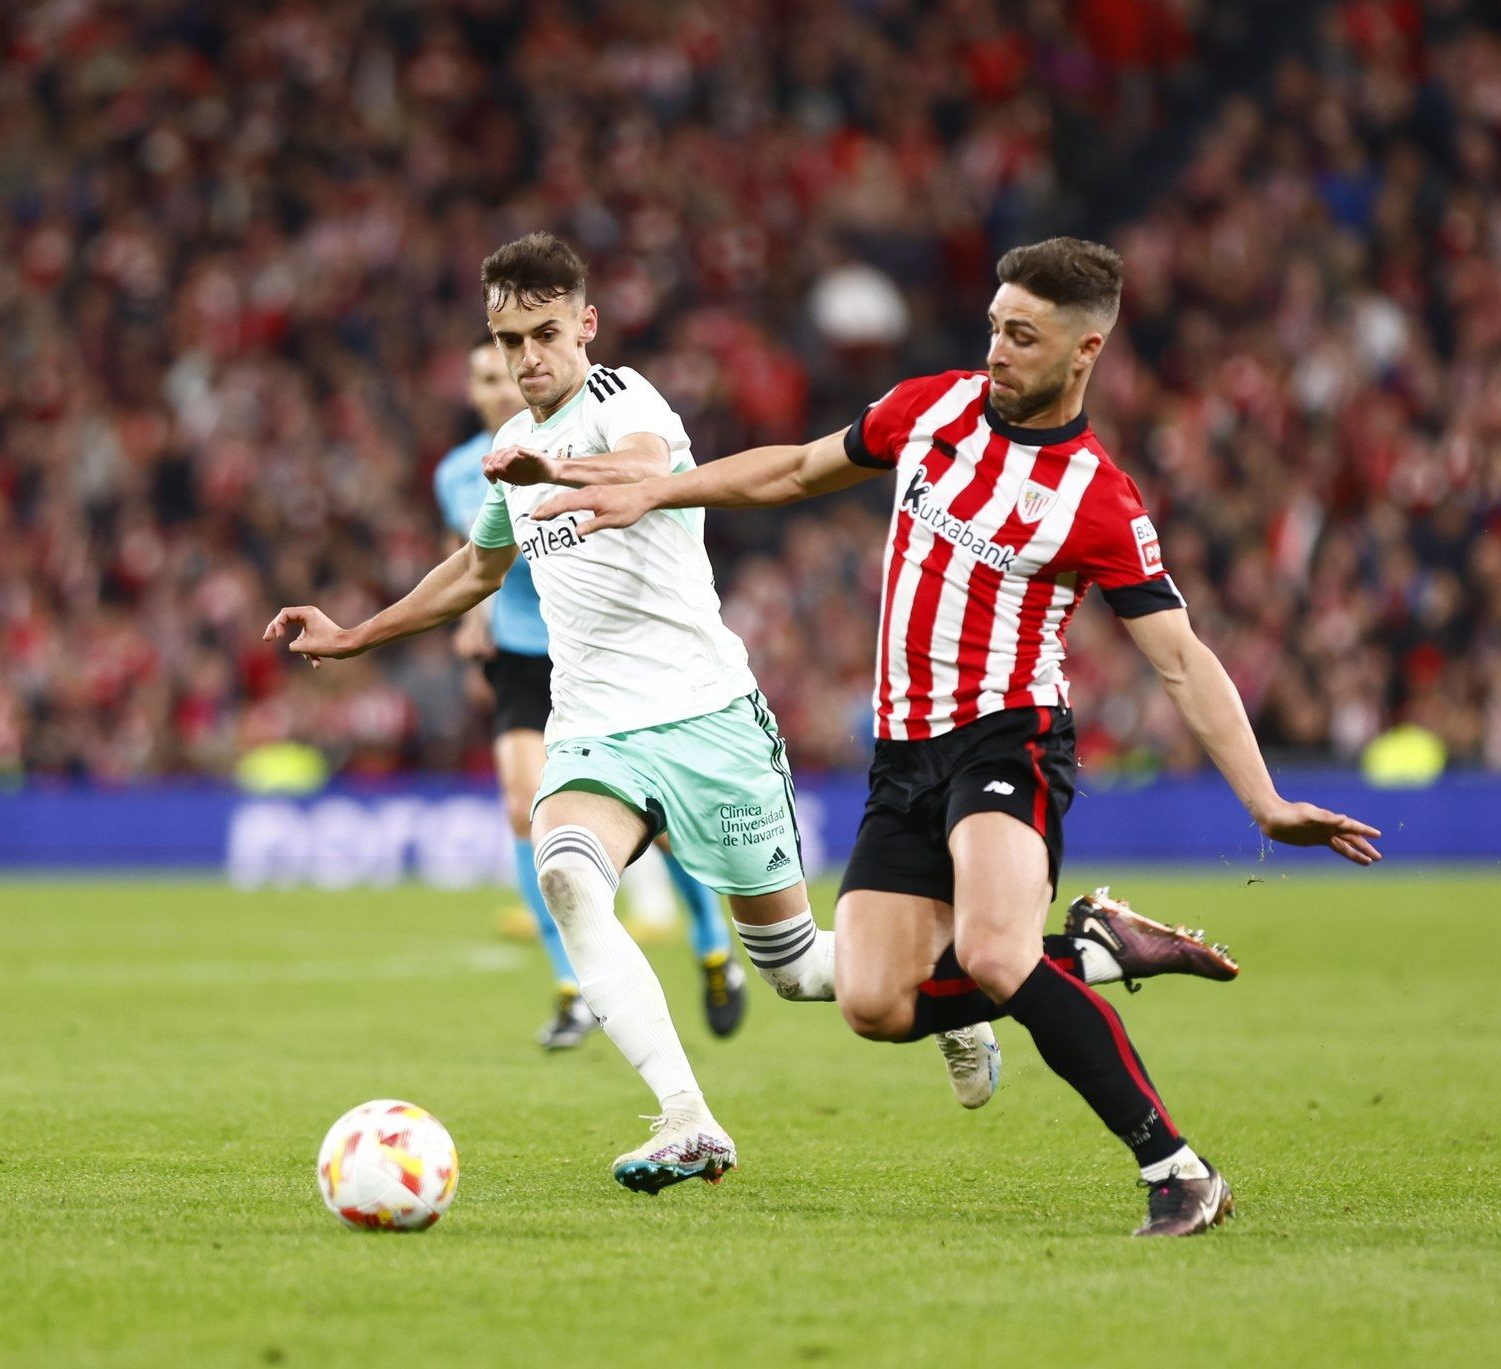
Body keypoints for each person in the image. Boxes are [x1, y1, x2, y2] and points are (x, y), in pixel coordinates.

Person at [528, 236, 1384, 1236]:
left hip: (1005, 743)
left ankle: (1176, 1169)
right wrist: (654, 490)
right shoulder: (927, 407)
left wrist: (1264, 801)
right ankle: (1095, 946)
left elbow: (1180, 659)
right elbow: (798, 469)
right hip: (903, 757)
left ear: (1084, 351)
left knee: (987, 951)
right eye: (992, 327)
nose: (997, 352)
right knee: (870, 1001)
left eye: (1022, 337)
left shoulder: (1096, 500)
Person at [265, 232, 992, 1193]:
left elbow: (644, 471)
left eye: (545, 333)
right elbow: (481, 568)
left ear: (586, 326)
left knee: (802, 970)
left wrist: (552, 475)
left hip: (708, 721)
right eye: (508, 337)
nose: (528, 358)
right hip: (598, 730)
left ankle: (960, 994)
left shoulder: (624, 402)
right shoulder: (506, 448)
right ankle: (688, 1119)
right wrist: (357, 634)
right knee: (565, 875)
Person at [433, 337, 746, 1051]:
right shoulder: (457, 473)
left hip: (599, 650)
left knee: (659, 825)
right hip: (520, 651)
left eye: (504, 368)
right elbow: (470, 552)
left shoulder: (581, 433)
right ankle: (573, 985)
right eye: (483, 373)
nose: (499, 383)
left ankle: (710, 943)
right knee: (523, 807)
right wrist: (472, 616)